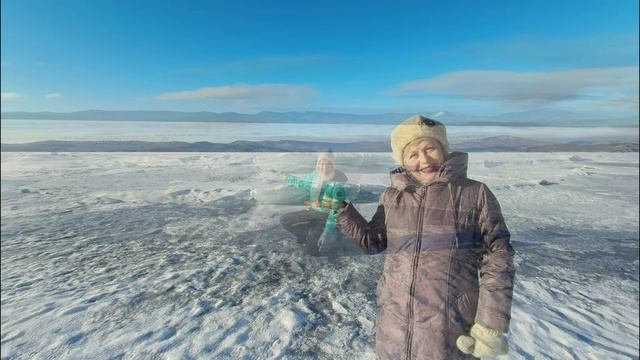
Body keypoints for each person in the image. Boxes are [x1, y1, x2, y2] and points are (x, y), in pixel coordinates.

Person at [321, 115, 515, 359]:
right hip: (394, 325)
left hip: (448, 329)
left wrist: (490, 324)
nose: (424, 159)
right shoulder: (393, 196)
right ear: (403, 161)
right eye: (413, 154)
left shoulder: (474, 194)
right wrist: (343, 211)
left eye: (430, 148)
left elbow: (499, 258)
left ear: (443, 149)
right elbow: (374, 242)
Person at [279, 152, 349, 256]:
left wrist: (328, 232)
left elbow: (336, 210)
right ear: (317, 164)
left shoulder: (338, 182)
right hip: (314, 212)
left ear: (333, 165)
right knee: (284, 220)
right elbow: (302, 182)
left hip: (328, 217)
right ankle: (305, 234)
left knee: (312, 251)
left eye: (328, 164)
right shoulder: (315, 175)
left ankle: (335, 236)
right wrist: (286, 177)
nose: (324, 167)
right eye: (321, 163)